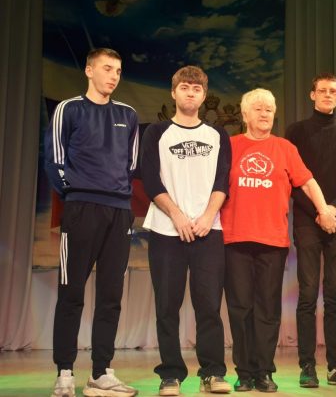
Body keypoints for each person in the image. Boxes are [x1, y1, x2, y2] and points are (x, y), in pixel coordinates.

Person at [221, 88, 336, 393]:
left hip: (272, 241)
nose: (265, 114)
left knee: (268, 309)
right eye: (258, 109)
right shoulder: (230, 146)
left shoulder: (285, 148)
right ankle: (244, 372)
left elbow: (308, 183)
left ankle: (263, 371)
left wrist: (324, 209)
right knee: (240, 307)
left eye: (269, 110)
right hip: (235, 238)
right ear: (245, 114)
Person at [44, 47, 139, 397]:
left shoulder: (127, 114)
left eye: (118, 71)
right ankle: (65, 372)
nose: (113, 76)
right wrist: (76, 193)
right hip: (81, 209)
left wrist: (118, 197)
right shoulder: (69, 109)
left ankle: (101, 372)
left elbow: (131, 165)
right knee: (71, 293)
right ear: (89, 70)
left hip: (119, 212)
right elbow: (54, 160)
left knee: (111, 296)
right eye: (107, 68)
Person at [140, 66, 232, 396]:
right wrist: (177, 215)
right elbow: (150, 179)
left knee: (209, 306)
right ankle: (170, 374)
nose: (190, 93)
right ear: (173, 92)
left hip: (208, 230)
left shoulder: (218, 135)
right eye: (184, 87)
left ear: (204, 96)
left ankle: (213, 372)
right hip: (167, 230)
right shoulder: (156, 132)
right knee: (167, 306)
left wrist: (208, 216)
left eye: (196, 89)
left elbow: (223, 181)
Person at [285, 73, 336, 388]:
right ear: (312, 95)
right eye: (322, 90)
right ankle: (307, 366)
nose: (328, 94)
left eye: (333, 91)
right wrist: (319, 211)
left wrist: (332, 209)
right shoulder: (296, 131)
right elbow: (292, 180)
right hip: (307, 219)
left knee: (335, 294)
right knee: (307, 294)